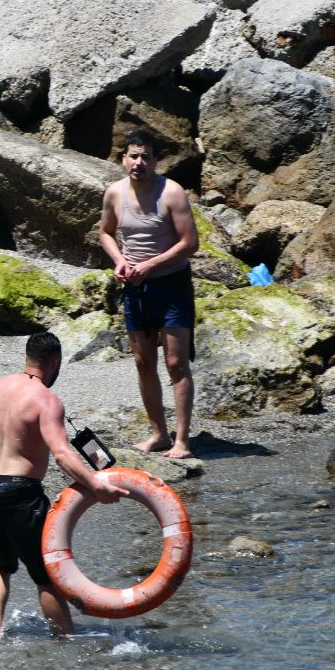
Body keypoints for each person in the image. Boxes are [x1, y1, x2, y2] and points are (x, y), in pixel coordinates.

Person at [0, 333, 126, 641]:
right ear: (55, 363)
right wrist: (96, 487)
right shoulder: (46, 400)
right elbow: (62, 454)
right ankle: (65, 640)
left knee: (0, 563)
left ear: (27, 357)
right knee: (45, 575)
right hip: (20, 491)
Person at [98, 129, 200, 459]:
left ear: (155, 161)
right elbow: (105, 233)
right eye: (133, 156)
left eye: (145, 156)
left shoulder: (172, 193)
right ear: (123, 159)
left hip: (171, 285)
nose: (138, 162)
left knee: (176, 363)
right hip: (135, 287)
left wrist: (150, 265)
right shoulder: (114, 193)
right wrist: (120, 261)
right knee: (144, 362)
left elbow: (190, 243)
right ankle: (158, 433)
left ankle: (182, 439)